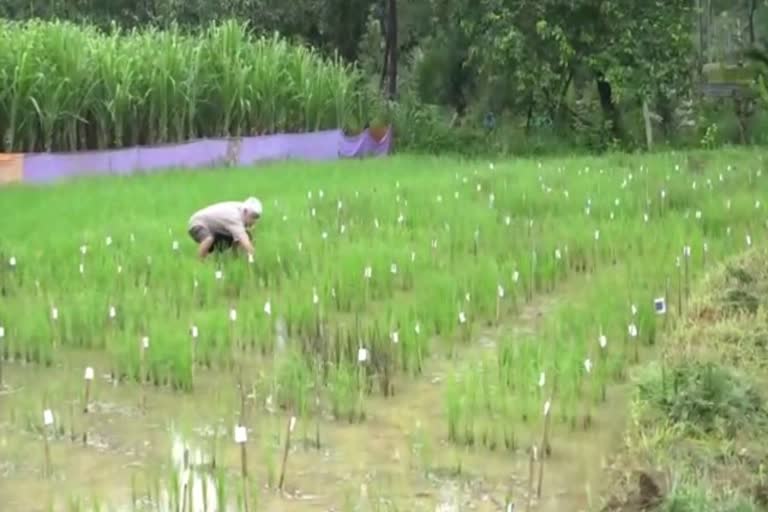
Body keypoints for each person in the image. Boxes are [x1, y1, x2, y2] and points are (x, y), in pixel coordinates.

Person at [187, 197, 262, 260]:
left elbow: (242, 238)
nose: (254, 221)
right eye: (253, 217)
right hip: (197, 224)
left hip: (214, 228)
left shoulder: (242, 210)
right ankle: (199, 262)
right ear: (245, 211)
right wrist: (255, 256)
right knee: (208, 239)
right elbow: (244, 239)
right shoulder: (234, 217)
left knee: (244, 236)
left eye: (257, 218)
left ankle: (235, 259)